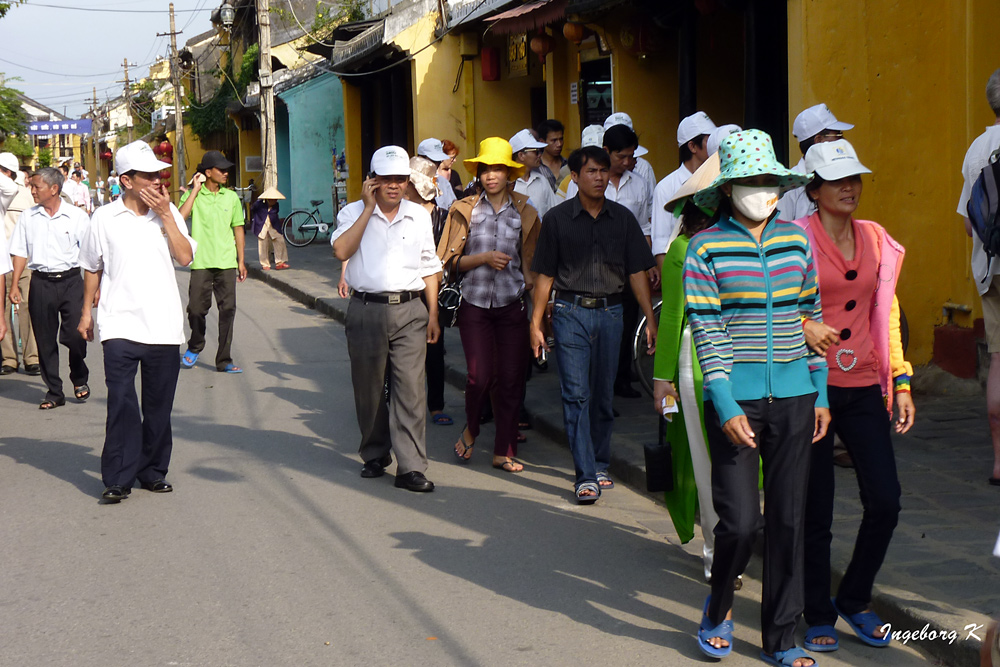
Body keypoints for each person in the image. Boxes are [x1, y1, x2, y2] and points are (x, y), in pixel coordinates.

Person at [685, 130, 829, 666]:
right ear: (726, 189)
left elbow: (811, 316)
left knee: (789, 521)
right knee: (742, 522)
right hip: (735, 403)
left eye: (770, 180)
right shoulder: (706, 248)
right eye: (750, 181)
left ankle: (782, 638)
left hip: (795, 397)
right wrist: (724, 405)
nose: (762, 190)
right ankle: (719, 606)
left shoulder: (796, 240)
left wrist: (821, 392)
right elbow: (708, 330)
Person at [795, 139, 914, 652]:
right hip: (811, 388)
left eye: (855, 178)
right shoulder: (793, 238)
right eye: (837, 179)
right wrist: (805, 325)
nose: (849, 187)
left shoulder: (875, 238)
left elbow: (885, 311)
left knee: (885, 500)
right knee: (816, 509)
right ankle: (818, 611)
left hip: (865, 382)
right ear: (814, 189)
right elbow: (773, 306)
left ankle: (855, 597)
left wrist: (902, 379)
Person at [529, 145, 656, 503]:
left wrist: (649, 317)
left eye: (603, 170)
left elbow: (636, 272)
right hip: (570, 313)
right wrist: (535, 324)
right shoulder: (556, 220)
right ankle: (585, 475)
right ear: (575, 176)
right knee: (575, 394)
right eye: (592, 171)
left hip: (613, 314)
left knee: (602, 395)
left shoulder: (623, 219)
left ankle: (600, 461)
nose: (600, 177)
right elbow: (545, 277)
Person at [78, 140, 197, 503]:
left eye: (159, 175)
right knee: (122, 402)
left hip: (163, 325)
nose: (158, 182)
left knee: (158, 407)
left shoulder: (170, 214)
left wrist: (165, 217)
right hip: (119, 324)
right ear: (126, 181)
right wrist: (87, 311)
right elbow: (92, 266)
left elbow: (186, 257)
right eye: (148, 176)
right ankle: (117, 476)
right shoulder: (103, 218)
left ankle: (152, 470)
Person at [331, 145, 442, 493]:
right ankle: (375, 453)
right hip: (367, 309)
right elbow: (342, 251)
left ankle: (411, 467)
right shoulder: (351, 213)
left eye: (400, 179)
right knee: (369, 388)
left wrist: (433, 313)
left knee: (410, 389)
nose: (394, 186)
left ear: (408, 182)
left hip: (411, 310)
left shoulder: (419, 216)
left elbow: (429, 265)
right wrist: (367, 210)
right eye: (386, 179)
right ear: (372, 181)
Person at [438, 137, 540, 474]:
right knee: (479, 378)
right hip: (474, 305)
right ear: (479, 173)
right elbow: (448, 264)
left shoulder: (526, 212)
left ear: (509, 173)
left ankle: (504, 449)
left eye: (497, 168)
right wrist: (482, 258)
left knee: (511, 380)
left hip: (512, 306)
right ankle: (472, 427)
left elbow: (534, 266)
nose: (491, 175)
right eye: (485, 169)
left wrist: (538, 300)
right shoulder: (464, 209)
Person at [8, 167, 91, 409]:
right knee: (44, 340)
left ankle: (79, 375)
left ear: (54, 189)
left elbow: (89, 255)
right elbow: (21, 251)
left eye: (36, 187)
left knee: (76, 335)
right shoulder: (28, 217)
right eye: (31, 186)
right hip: (41, 283)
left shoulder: (76, 217)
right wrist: (15, 285)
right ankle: (54, 391)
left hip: (71, 282)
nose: (32, 191)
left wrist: (94, 289)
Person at [959, 68, 1000, 487]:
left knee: (999, 361)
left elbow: (969, 224)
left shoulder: (976, 148)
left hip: (990, 270)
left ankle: (999, 462)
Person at [178, 150, 247, 374]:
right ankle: (196, 344)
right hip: (201, 263)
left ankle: (224, 360)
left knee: (228, 310)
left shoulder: (232, 197)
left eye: (227, 170)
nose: (226, 173)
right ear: (207, 173)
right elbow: (179, 218)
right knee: (196, 309)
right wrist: (194, 191)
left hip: (226, 262)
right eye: (221, 170)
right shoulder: (193, 195)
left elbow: (238, 228)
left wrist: (241, 261)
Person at [405, 155, 453, 426]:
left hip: (433, 290)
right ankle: (396, 403)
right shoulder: (398, 215)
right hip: (403, 290)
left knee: (434, 349)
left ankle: (436, 405)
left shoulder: (444, 218)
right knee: (398, 352)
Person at [651, 111, 718, 259]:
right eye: (710, 140)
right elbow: (661, 244)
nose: (716, 144)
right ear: (693, 146)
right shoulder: (666, 187)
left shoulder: (720, 182)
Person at [776, 103, 854, 223]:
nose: (842, 141)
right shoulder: (791, 187)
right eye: (838, 135)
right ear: (819, 141)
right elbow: (781, 232)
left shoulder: (836, 176)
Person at [1, 161, 40, 375]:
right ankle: (9, 358)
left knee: (27, 307)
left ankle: (31, 357)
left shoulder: (26, 194)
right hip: (1, 259)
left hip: (23, 258)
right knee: (2, 309)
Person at [510, 128, 558, 218]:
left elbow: (554, 211)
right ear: (521, 155)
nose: (540, 155)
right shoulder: (508, 184)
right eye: (536, 152)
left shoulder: (542, 180)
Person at [603, 112, 656, 190]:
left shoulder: (641, 180)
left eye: (631, 156)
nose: (627, 162)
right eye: (621, 157)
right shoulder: (592, 181)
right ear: (606, 151)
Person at [249, 186, 289, 271]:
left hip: (273, 226)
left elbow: (274, 214)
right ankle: (265, 264)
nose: (274, 201)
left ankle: (280, 262)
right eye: (273, 199)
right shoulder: (259, 204)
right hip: (261, 226)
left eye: (275, 199)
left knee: (280, 240)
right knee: (263, 244)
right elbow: (252, 208)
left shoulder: (276, 206)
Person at [416, 138, 458, 211]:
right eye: (433, 161)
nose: (436, 165)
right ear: (420, 158)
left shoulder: (443, 183)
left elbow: (453, 208)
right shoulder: (409, 184)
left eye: (439, 161)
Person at [536, 119, 569, 191]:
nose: (559, 144)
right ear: (542, 142)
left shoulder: (569, 165)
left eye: (561, 139)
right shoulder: (535, 167)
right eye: (554, 140)